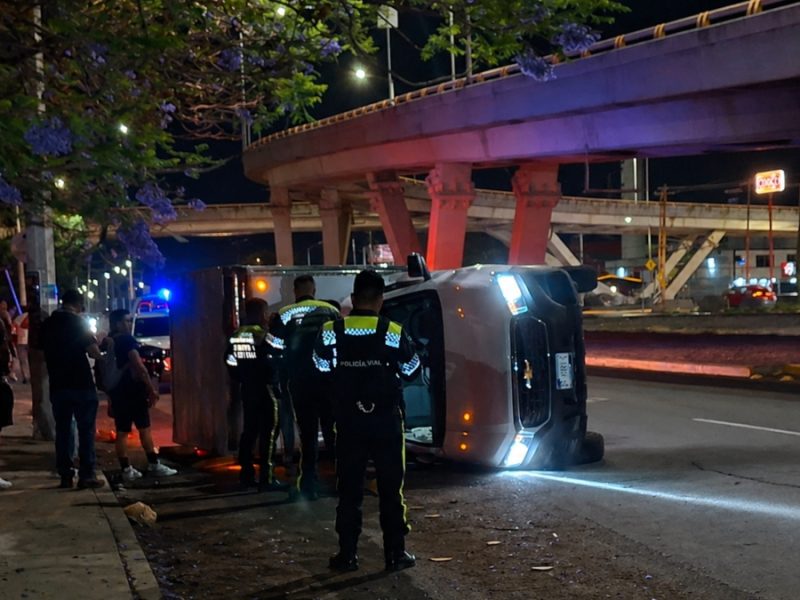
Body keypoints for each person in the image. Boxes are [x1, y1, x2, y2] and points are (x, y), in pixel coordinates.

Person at [313, 269, 421, 572]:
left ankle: (347, 555)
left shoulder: (331, 330)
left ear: (354, 297)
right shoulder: (392, 330)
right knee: (390, 489)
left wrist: (343, 374)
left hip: (348, 421)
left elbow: (321, 366)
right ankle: (395, 554)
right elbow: (412, 369)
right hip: (386, 421)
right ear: (381, 299)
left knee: (349, 489)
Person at [271, 275, 341, 501]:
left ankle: (309, 486)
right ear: (314, 289)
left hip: (300, 382)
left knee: (308, 434)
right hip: (329, 381)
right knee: (333, 432)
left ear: (295, 290)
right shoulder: (330, 310)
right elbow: (340, 344)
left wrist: (281, 378)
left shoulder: (285, 313)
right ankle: (344, 481)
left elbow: (274, 349)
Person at [40, 289, 104, 489]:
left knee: (63, 430)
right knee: (85, 430)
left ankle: (65, 475)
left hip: (58, 385)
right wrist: (101, 345)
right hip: (81, 384)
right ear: (79, 304)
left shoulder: (47, 324)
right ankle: (87, 475)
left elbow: (39, 353)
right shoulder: (78, 323)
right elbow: (93, 352)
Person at [105, 309, 177, 482]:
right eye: (126, 321)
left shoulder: (110, 341)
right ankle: (154, 464)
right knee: (144, 429)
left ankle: (126, 469)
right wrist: (151, 389)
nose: (129, 324)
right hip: (133, 391)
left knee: (122, 431)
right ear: (118, 324)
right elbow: (138, 365)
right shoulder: (127, 341)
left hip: (117, 391)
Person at [225, 298, 286, 492]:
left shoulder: (237, 335)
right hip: (267, 389)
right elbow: (280, 350)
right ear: (261, 314)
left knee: (249, 432)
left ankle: (246, 474)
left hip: (247, 388)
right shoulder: (263, 335)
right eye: (265, 313)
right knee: (269, 433)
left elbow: (230, 360)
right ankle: (267, 478)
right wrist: (277, 328)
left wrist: (241, 376)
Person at [12, 306, 30, 384]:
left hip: (20, 342)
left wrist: (14, 341)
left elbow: (13, 331)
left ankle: (26, 377)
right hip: (30, 341)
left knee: (23, 361)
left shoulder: (18, 319)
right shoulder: (33, 318)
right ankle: (31, 376)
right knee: (30, 360)